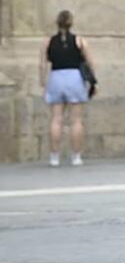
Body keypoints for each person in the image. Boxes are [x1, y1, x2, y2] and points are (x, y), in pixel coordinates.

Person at [40, 10, 94, 167]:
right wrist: (93, 82)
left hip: (56, 77)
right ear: (71, 23)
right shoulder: (80, 41)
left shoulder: (48, 42)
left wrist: (43, 82)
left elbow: (42, 64)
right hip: (75, 78)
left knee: (56, 119)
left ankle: (54, 157)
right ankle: (76, 156)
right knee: (76, 120)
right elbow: (90, 62)